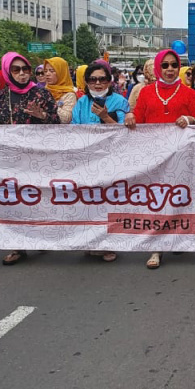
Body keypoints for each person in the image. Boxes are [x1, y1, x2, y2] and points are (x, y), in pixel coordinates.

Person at [129, 49, 195, 269]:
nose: (170, 69)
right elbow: (139, 120)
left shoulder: (189, 93)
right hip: (153, 156)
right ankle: (156, 248)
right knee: (157, 199)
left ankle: (177, 235)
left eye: (174, 65)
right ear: (157, 68)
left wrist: (190, 118)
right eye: (165, 65)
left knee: (179, 198)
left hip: (181, 156)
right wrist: (130, 117)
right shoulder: (145, 93)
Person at [0, 52, 61, 266]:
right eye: (16, 70)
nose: (22, 74)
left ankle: (40, 235)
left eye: (26, 69)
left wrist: (42, 116)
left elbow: (57, 124)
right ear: (7, 72)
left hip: (38, 157)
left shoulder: (41, 94)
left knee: (36, 198)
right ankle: (17, 246)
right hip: (10, 157)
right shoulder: (1, 96)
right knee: (13, 199)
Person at [69, 61, 128, 263]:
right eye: (93, 79)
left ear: (109, 81)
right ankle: (90, 242)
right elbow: (74, 128)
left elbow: (125, 131)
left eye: (102, 79)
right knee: (88, 200)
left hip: (111, 160)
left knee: (108, 201)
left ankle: (108, 244)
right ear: (86, 82)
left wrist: (105, 117)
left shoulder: (120, 101)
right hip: (86, 160)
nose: (98, 83)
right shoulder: (81, 103)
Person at [43, 57, 78, 122]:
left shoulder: (69, 94)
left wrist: (49, 103)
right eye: (45, 71)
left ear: (61, 72)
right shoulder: (43, 91)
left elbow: (66, 118)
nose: (47, 74)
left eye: (52, 71)